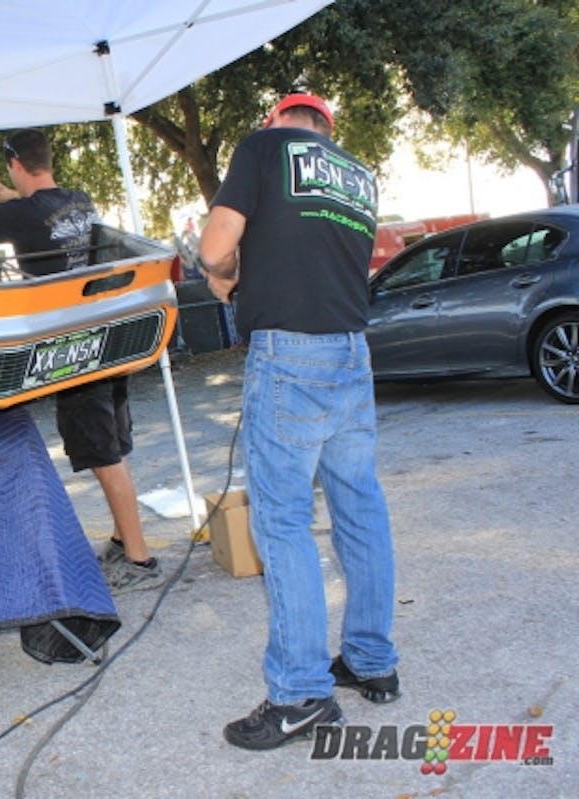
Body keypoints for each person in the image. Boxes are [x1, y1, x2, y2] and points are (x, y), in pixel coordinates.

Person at [198, 94, 400, 750]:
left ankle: (300, 693)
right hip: (350, 350)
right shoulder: (359, 175)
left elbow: (216, 242)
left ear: (276, 122)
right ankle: (372, 661)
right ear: (326, 130)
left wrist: (221, 277)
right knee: (360, 510)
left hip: (290, 354)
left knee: (282, 522)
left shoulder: (263, 148)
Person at [0, 127, 162, 594]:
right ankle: (123, 539)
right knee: (115, 447)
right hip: (106, 333)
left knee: (104, 455)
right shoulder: (78, 200)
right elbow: (38, 216)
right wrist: (5, 198)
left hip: (73, 347)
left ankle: (139, 561)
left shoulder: (22, 213)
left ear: (15, 163)